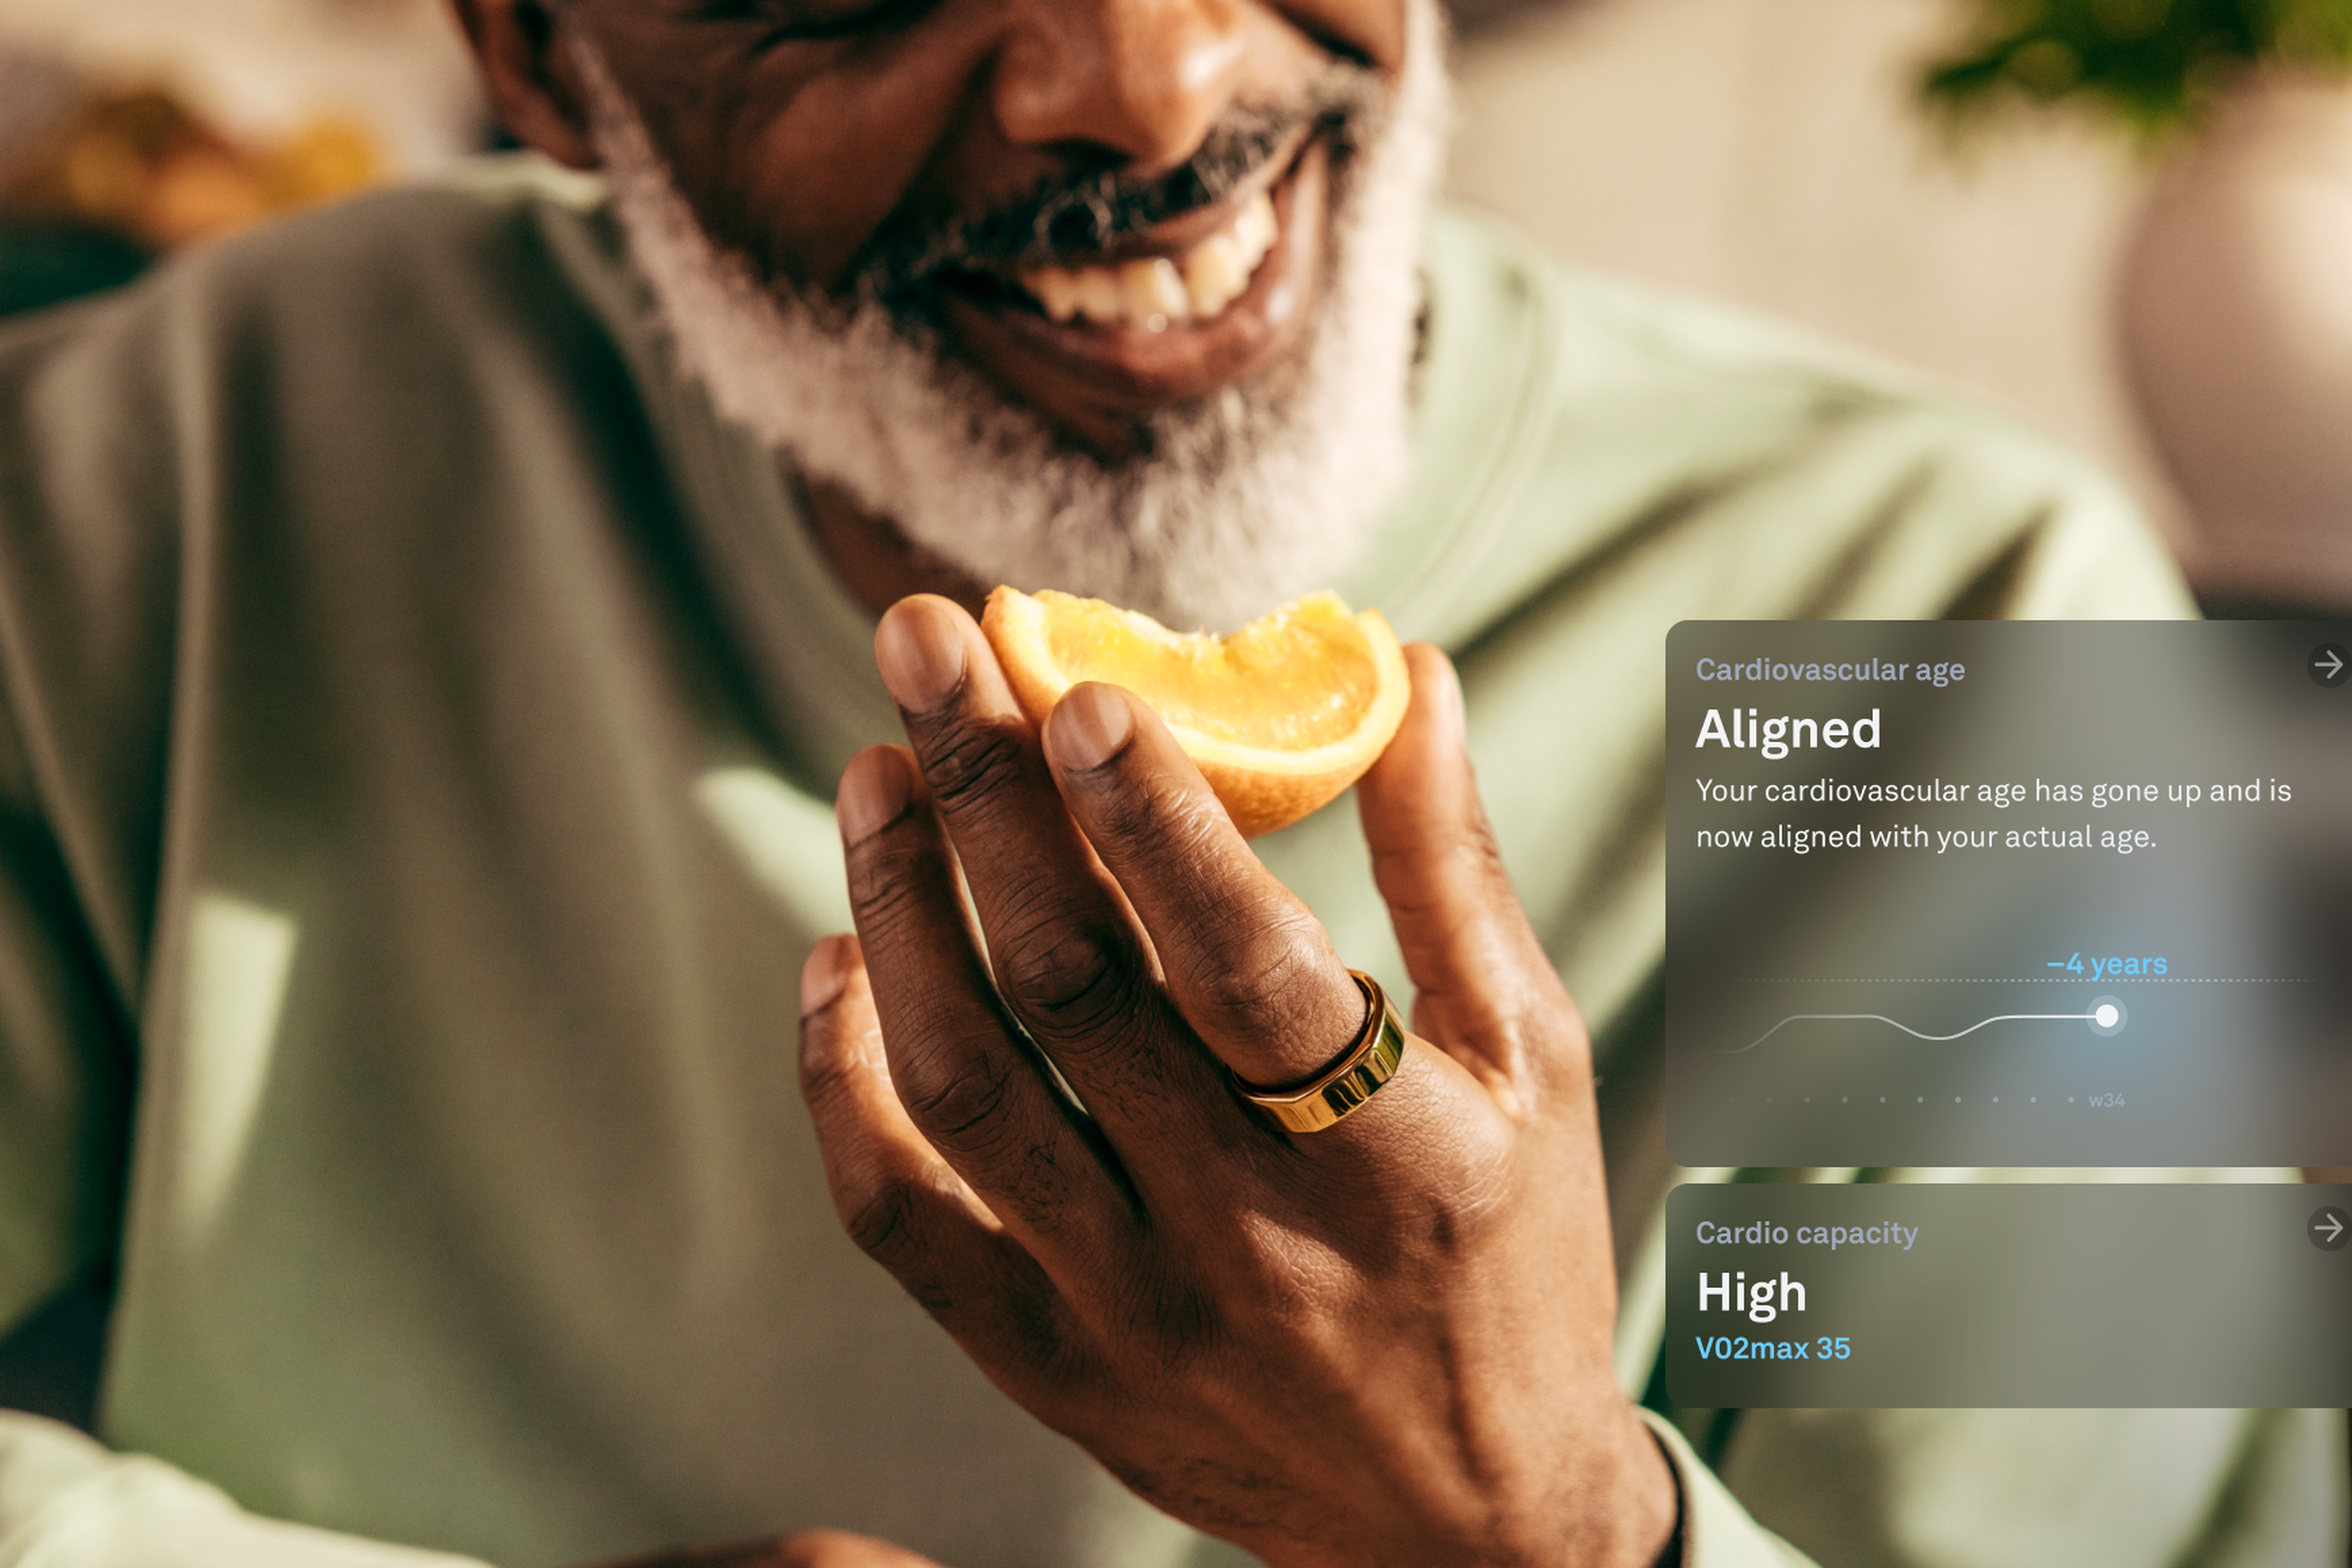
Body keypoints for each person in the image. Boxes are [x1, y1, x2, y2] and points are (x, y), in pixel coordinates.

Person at [0, 0, 2339, 1561]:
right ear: (529, 44)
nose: (1143, 73)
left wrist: (1546, 1524)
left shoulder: (1987, 621)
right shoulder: (164, 479)